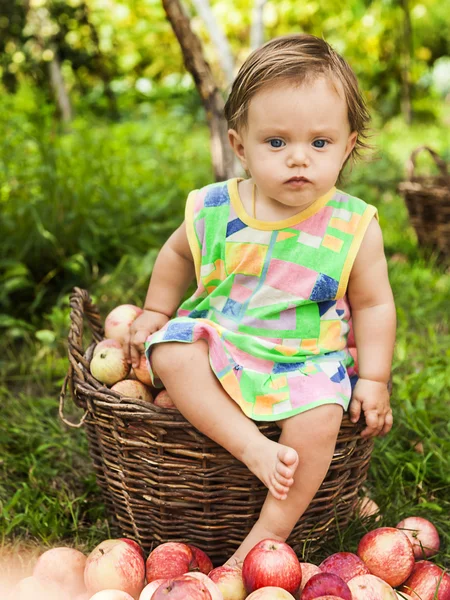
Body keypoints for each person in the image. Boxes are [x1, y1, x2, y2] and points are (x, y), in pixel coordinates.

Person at [122, 33, 396, 565]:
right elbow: (178, 256)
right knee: (170, 349)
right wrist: (156, 310)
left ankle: (264, 541)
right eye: (276, 143)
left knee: (321, 415)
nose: (299, 159)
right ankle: (251, 447)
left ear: (348, 144)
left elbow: (375, 304)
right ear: (239, 145)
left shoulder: (351, 225)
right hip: (222, 341)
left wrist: (375, 377)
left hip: (304, 358)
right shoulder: (215, 208)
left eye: (320, 143)